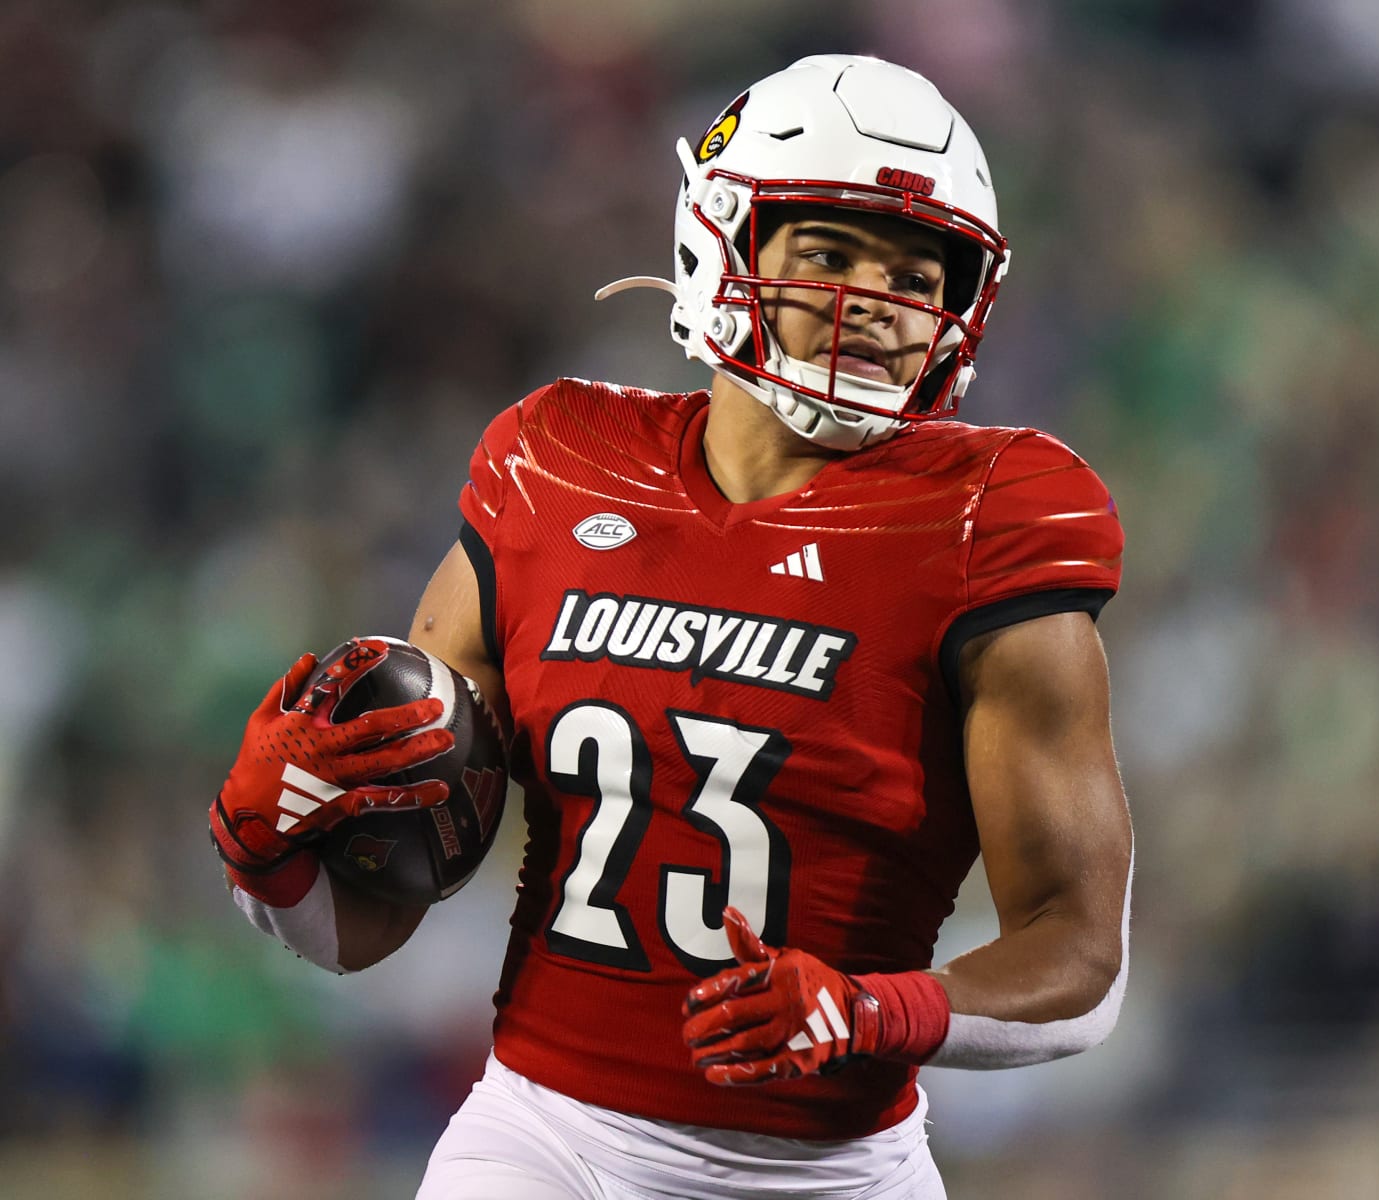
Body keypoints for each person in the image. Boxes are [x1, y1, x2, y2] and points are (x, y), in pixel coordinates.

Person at [209, 54, 1132, 1199]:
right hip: (547, 1140)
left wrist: (876, 1008)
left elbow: (1081, 961)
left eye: (916, 270)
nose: (883, 304)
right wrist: (267, 853)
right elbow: (372, 921)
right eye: (834, 251)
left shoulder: (989, 519)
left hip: (829, 1173)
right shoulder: (557, 465)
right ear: (724, 239)